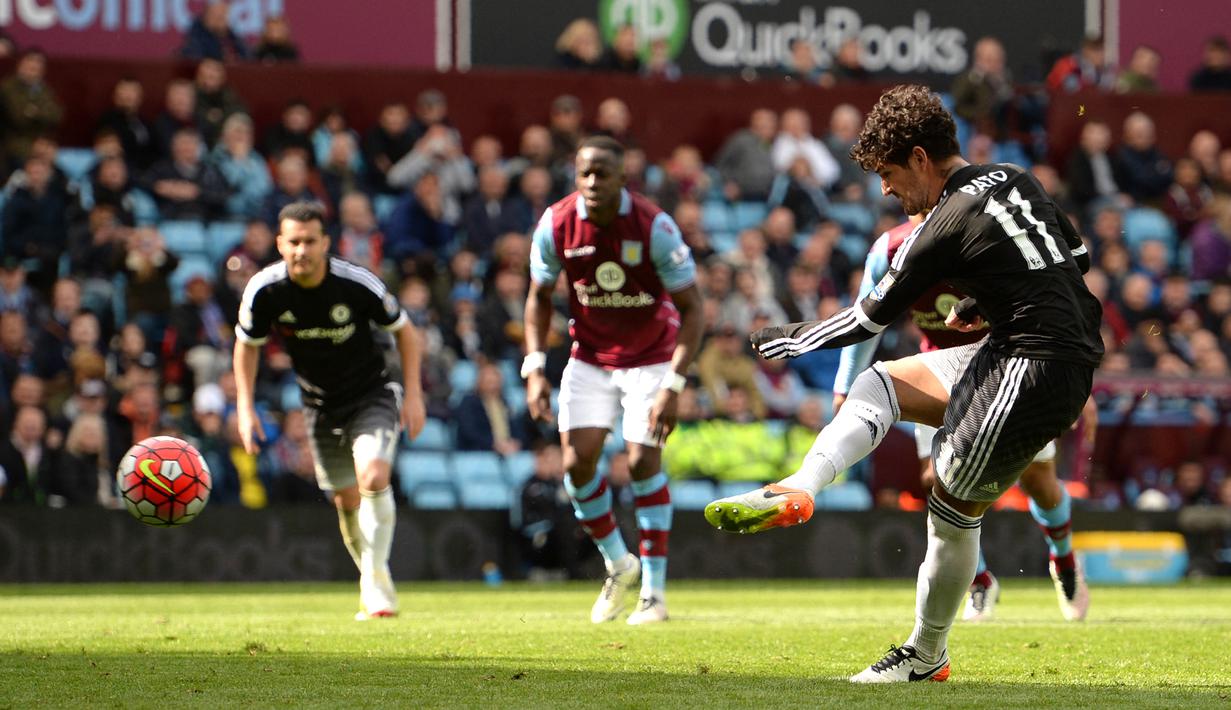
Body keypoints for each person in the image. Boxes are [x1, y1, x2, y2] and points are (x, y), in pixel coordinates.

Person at [705, 85, 1103, 682]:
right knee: (880, 384)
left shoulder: (941, 224)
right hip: (1014, 346)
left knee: (949, 505)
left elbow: (868, 317)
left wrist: (785, 340)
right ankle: (800, 487)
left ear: (920, 158)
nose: (886, 190)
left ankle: (925, 655)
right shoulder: (1014, 178)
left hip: (1039, 367)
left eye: (890, 174)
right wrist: (983, 296)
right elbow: (1079, 255)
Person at [834, 212, 1093, 623]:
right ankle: (980, 581)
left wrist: (1073, 373)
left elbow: (1054, 295)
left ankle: (1062, 559)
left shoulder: (989, 240)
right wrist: (844, 388)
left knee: (1038, 482)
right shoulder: (888, 250)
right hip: (939, 370)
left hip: (1010, 363)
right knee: (935, 479)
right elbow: (867, 319)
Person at [523, 135, 703, 624]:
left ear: (623, 178)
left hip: (650, 358)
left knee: (643, 460)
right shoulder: (557, 223)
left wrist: (674, 384)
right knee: (577, 465)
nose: (592, 182)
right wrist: (535, 364)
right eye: (584, 173)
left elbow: (694, 310)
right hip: (589, 358)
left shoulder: (653, 227)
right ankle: (619, 565)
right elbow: (538, 296)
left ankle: (655, 593)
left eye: (603, 173)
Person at [234, 201, 427, 620]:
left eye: (309, 241)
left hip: (372, 393)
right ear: (280, 244)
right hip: (319, 406)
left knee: (373, 475)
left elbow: (406, 333)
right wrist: (245, 408)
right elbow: (246, 347)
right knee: (345, 500)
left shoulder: (356, 283)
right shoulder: (264, 290)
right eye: (293, 242)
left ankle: (374, 582)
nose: (301, 250)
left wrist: (413, 394)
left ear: (325, 243)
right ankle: (375, 578)